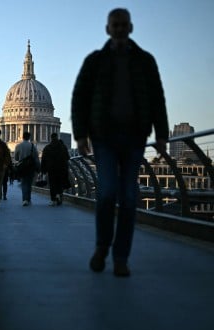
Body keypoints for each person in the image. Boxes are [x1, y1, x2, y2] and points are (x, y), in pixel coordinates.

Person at [71, 8, 168, 277]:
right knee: (106, 194)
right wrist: (81, 135)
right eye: (115, 25)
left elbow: (157, 99)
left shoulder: (145, 61)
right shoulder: (95, 61)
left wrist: (162, 135)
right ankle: (103, 245)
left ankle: (121, 257)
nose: (120, 28)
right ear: (108, 28)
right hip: (104, 138)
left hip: (135, 137)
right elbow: (80, 99)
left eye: (124, 24)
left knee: (128, 198)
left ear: (131, 27)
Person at [41, 133, 70, 206]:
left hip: (51, 169)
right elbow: (67, 157)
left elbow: (43, 159)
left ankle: (53, 199)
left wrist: (43, 169)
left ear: (51, 138)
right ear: (57, 137)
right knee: (60, 183)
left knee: (52, 184)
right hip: (61, 168)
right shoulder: (63, 147)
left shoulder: (47, 147)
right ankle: (59, 196)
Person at [14, 131, 40, 206]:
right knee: (29, 183)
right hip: (31, 167)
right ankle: (28, 199)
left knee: (24, 183)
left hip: (22, 167)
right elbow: (36, 158)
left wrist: (21, 158)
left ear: (23, 137)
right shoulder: (33, 146)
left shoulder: (18, 146)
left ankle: (25, 199)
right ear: (29, 137)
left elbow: (16, 157)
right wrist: (38, 167)